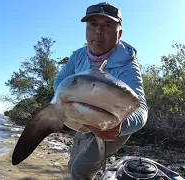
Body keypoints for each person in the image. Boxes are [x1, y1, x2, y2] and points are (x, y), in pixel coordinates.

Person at [53, 2, 148, 179]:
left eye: (107, 25)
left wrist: (119, 127)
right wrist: (61, 100)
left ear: (119, 33)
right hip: (82, 118)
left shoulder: (128, 65)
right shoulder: (78, 55)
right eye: (93, 24)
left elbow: (141, 108)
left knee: (80, 170)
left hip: (114, 127)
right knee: (72, 164)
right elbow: (60, 80)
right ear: (86, 29)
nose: (98, 31)